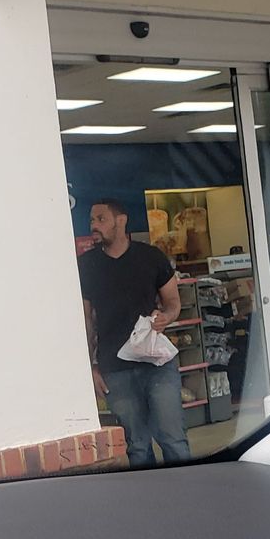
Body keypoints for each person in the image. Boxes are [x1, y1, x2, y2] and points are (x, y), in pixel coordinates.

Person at [79, 200, 191, 468]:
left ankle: (189, 488)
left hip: (157, 362)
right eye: (92, 220)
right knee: (137, 446)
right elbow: (85, 321)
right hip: (114, 368)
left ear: (121, 221)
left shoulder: (151, 257)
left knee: (173, 439)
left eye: (101, 219)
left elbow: (173, 302)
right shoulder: (87, 265)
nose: (94, 225)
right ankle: (148, 494)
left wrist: (166, 317)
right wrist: (91, 367)